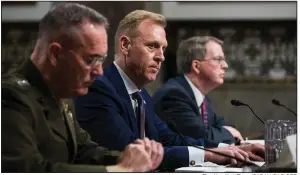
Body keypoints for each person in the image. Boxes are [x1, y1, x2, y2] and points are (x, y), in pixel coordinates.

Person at [74, 10, 264, 170]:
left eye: (163, 49)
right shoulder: (99, 88)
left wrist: (226, 149)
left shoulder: (141, 95)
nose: (161, 57)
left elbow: (171, 139)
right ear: (125, 45)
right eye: (152, 46)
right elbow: (130, 151)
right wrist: (211, 156)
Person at [2, 3, 164, 173]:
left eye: (101, 60)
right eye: (90, 60)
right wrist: (117, 170)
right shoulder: (10, 96)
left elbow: (84, 151)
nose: (99, 72)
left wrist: (129, 158)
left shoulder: (61, 94)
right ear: (55, 54)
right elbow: (27, 169)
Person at [152, 36, 243, 144]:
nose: (225, 65)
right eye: (219, 59)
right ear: (196, 66)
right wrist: (230, 133)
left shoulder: (201, 98)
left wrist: (228, 131)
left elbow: (222, 125)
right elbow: (201, 138)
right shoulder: (173, 96)